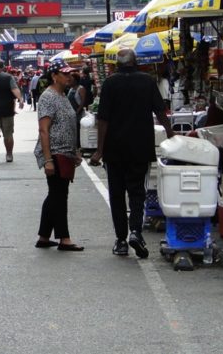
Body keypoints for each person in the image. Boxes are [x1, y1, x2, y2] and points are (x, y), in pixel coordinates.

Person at [90, 49, 175, 258]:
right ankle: (136, 231)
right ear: (136, 63)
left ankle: (120, 240)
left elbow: (103, 119)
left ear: (117, 65)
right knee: (138, 193)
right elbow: (160, 111)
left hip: (114, 150)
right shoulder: (147, 81)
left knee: (117, 195)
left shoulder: (110, 83)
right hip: (140, 148)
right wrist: (171, 134)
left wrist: (99, 151)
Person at [34, 60, 84, 252]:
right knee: (59, 195)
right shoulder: (48, 97)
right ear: (54, 76)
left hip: (65, 151)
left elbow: (69, 125)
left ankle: (44, 236)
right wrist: (48, 160)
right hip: (54, 152)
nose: (69, 76)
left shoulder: (62, 95)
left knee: (55, 194)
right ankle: (64, 238)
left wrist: (75, 150)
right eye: (65, 74)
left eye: (70, 74)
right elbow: (44, 130)